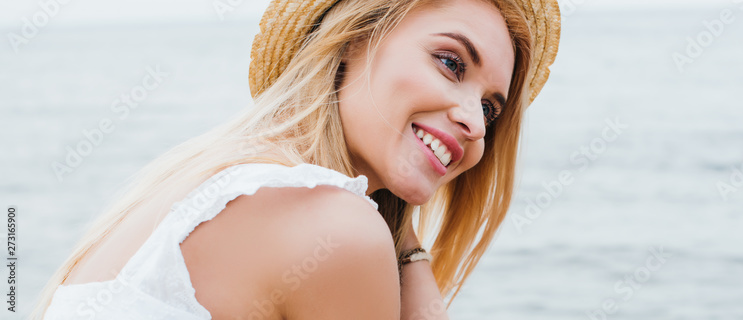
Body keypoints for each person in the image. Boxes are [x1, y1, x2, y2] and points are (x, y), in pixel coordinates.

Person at [33, 0, 559, 318]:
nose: (473, 121)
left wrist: (401, 235)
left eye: (491, 109)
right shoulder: (336, 227)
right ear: (355, 37)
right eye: (450, 62)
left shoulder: (200, 183)